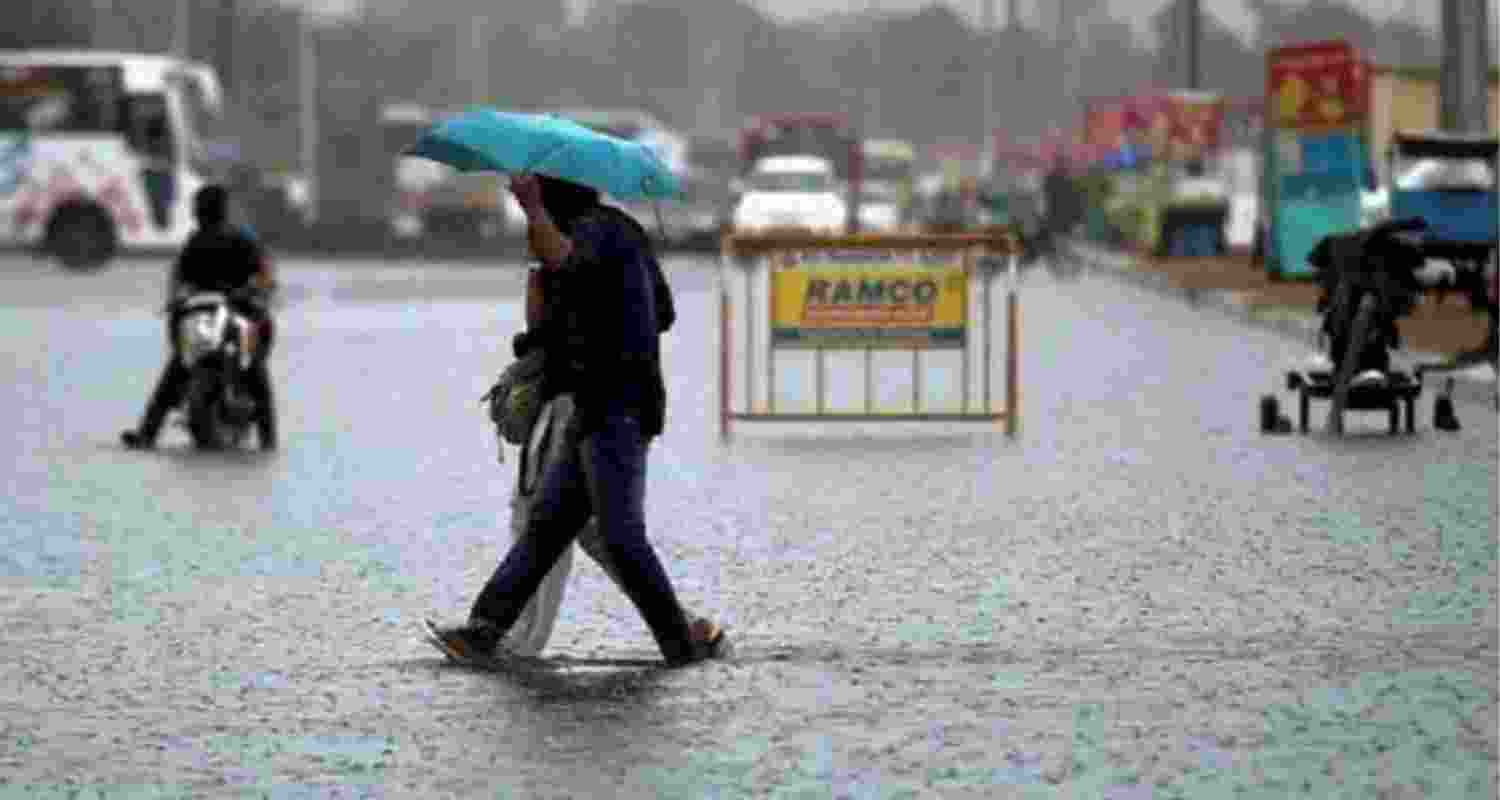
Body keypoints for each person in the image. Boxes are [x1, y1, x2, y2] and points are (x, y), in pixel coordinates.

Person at [428, 173, 729, 667]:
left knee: (619, 535)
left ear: (553, 197)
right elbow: (552, 321)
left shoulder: (601, 233)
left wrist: (534, 213)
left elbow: (576, 267)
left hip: (619, 407)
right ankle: (483, 631)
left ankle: (681, 643)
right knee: (547, 526)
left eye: (534, 195)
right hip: (591, 406)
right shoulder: (609, 234)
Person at [121, 184, 278, 450]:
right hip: (210, 314)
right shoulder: (213, 241)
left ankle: (147, 434)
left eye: (198, 208)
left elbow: (261, 277)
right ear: (223, 209)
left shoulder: (212, 241)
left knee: (179, 370)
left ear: (200, 211)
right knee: (250, 372)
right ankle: (268, 440)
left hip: (230, 314)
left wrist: (253, 292)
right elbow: (179, 281)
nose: (197, 212)